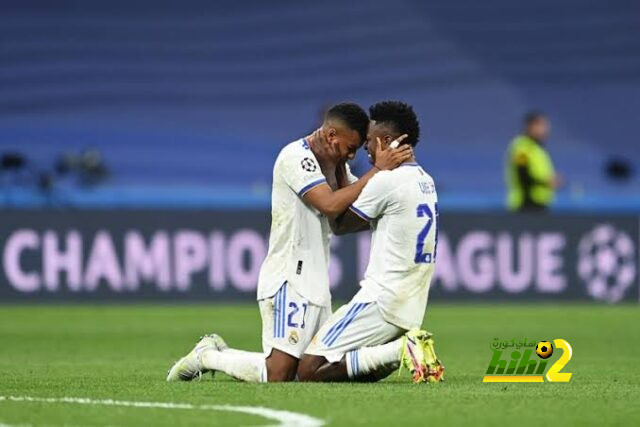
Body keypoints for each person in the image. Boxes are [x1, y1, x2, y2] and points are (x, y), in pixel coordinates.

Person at [166, 102, 412, 383]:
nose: (353, 155)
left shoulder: (332, 165)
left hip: (318, 283)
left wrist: (353, 170)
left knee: (312, 371)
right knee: (279, 374)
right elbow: (331, 205)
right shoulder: (296, 157)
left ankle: (393, 355)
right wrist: (376, 171)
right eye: (350, 147)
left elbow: (346, 215)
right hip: (289, 278)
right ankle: (207, 356)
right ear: (332, 136)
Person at [296, 101, 444, 384]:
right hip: (410, 308)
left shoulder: (386, 181)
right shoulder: (425, 181)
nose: (364, 145)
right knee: (348, 365)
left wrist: (336, 163)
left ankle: (401, 350)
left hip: (380, 300)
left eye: (370, 139)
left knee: (308, 370)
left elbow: (338, 223)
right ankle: (400, 349)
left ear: (386, 141)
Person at [506, 111, 560, 212]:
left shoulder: (537, 149)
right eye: (541, 125)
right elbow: (523, 175)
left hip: (540, 205)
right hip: (525, 205)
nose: (545, 129)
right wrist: (546, 183)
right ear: (531, 126)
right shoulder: (522, 148)